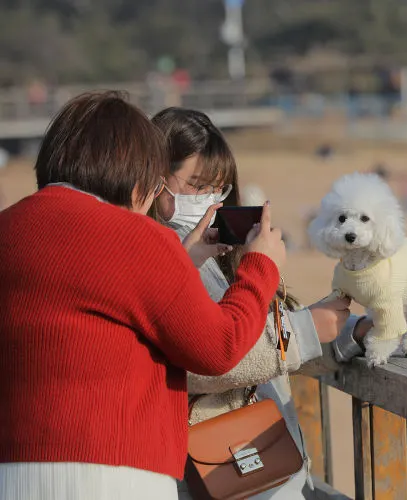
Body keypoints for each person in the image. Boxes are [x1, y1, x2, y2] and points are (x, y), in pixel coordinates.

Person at [0, 92, 287, 500]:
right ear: (132, 174)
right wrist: (260, 268)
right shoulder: (140, 239)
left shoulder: (9, 228)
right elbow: (219, 348)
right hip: (117, 473)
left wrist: (180, 262)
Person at [150, 108, 373, 500]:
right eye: (197, 184)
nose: (210, 199)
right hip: (222, 473)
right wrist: (303, 329)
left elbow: (269, 350)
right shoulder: (152, 256)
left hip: (267, 470)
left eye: (219, 188)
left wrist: (345, 335)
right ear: (154, 179)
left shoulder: (217, 253)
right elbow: (202, 358)